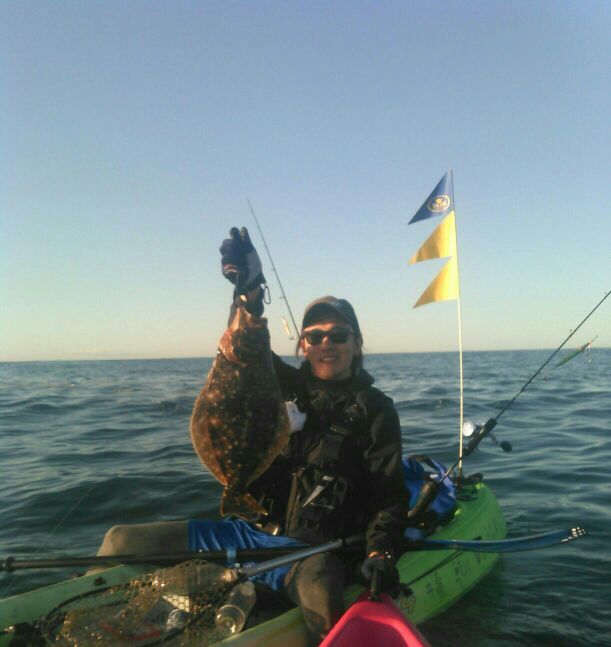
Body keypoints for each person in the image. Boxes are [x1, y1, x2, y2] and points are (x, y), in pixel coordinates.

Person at [95, 227, 408, 645]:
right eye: (315, 336)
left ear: (357, 343)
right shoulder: (279, 382)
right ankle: (88, 611)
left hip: (310, 554)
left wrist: (380, 551)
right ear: (303, 345)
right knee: (118, 540)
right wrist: (248, 292)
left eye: (338, 335)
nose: (326, 344)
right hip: (246, 533)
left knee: (323, 604)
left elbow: (388, 496)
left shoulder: (376, 410)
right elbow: (246, 345)